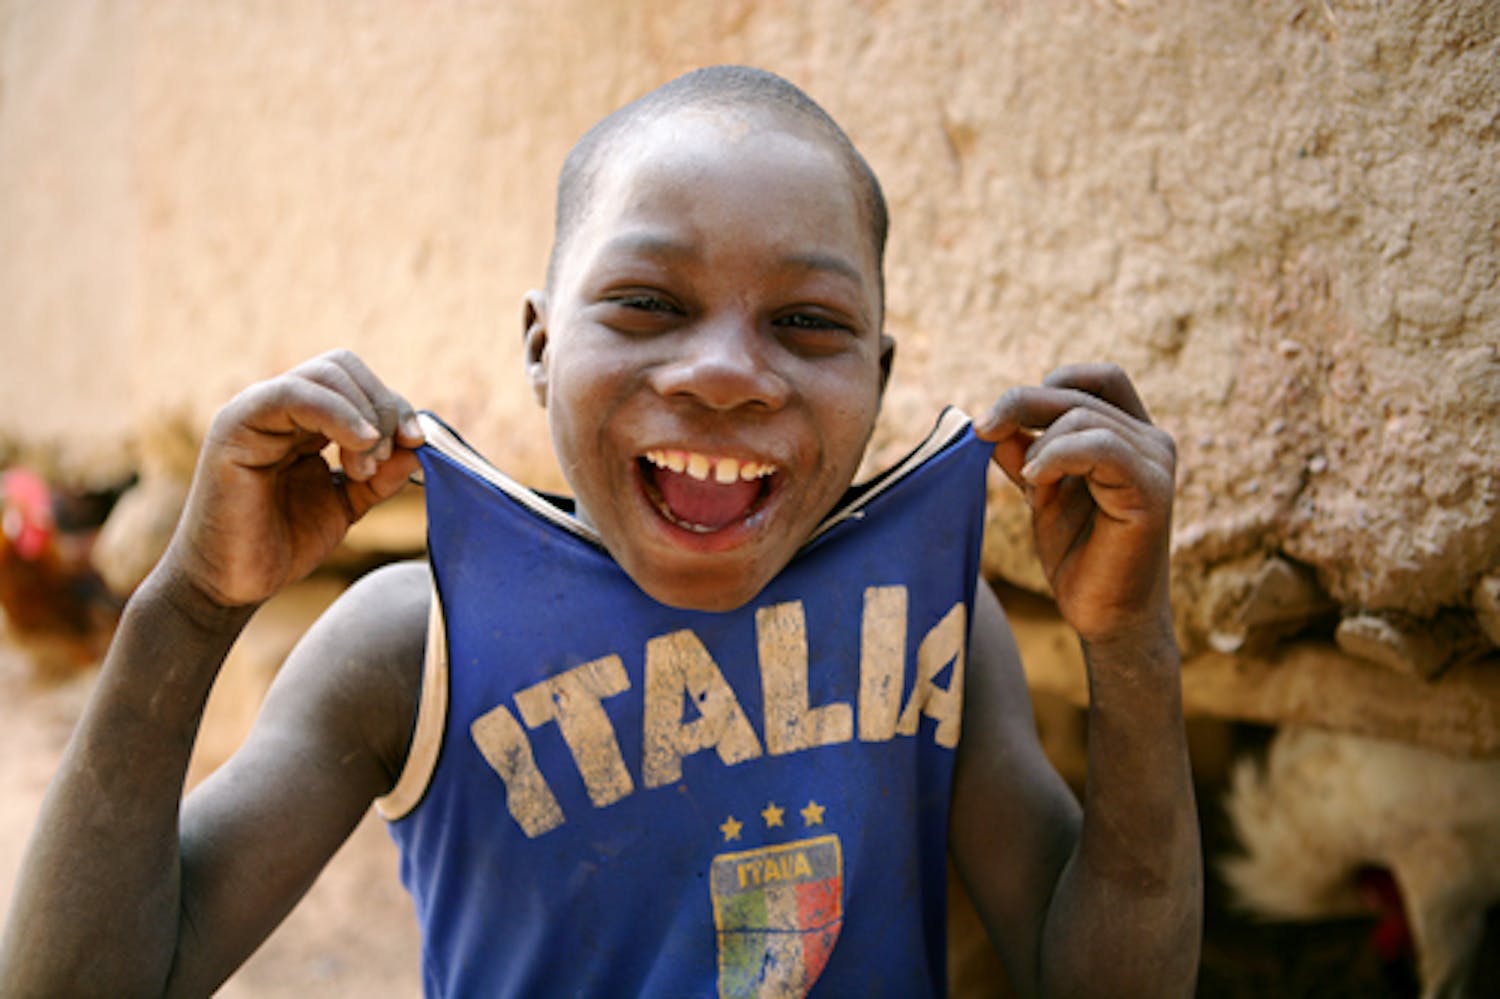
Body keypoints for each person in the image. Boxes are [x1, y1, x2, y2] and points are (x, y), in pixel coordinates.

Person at [0, 65, 1200, 996]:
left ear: (880, 379)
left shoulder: (930, 625)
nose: (727, 372)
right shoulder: (417, 650)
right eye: (645, 302)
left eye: (808, 322)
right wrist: (190, 608)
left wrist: (1133, 651)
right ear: (538, 343)